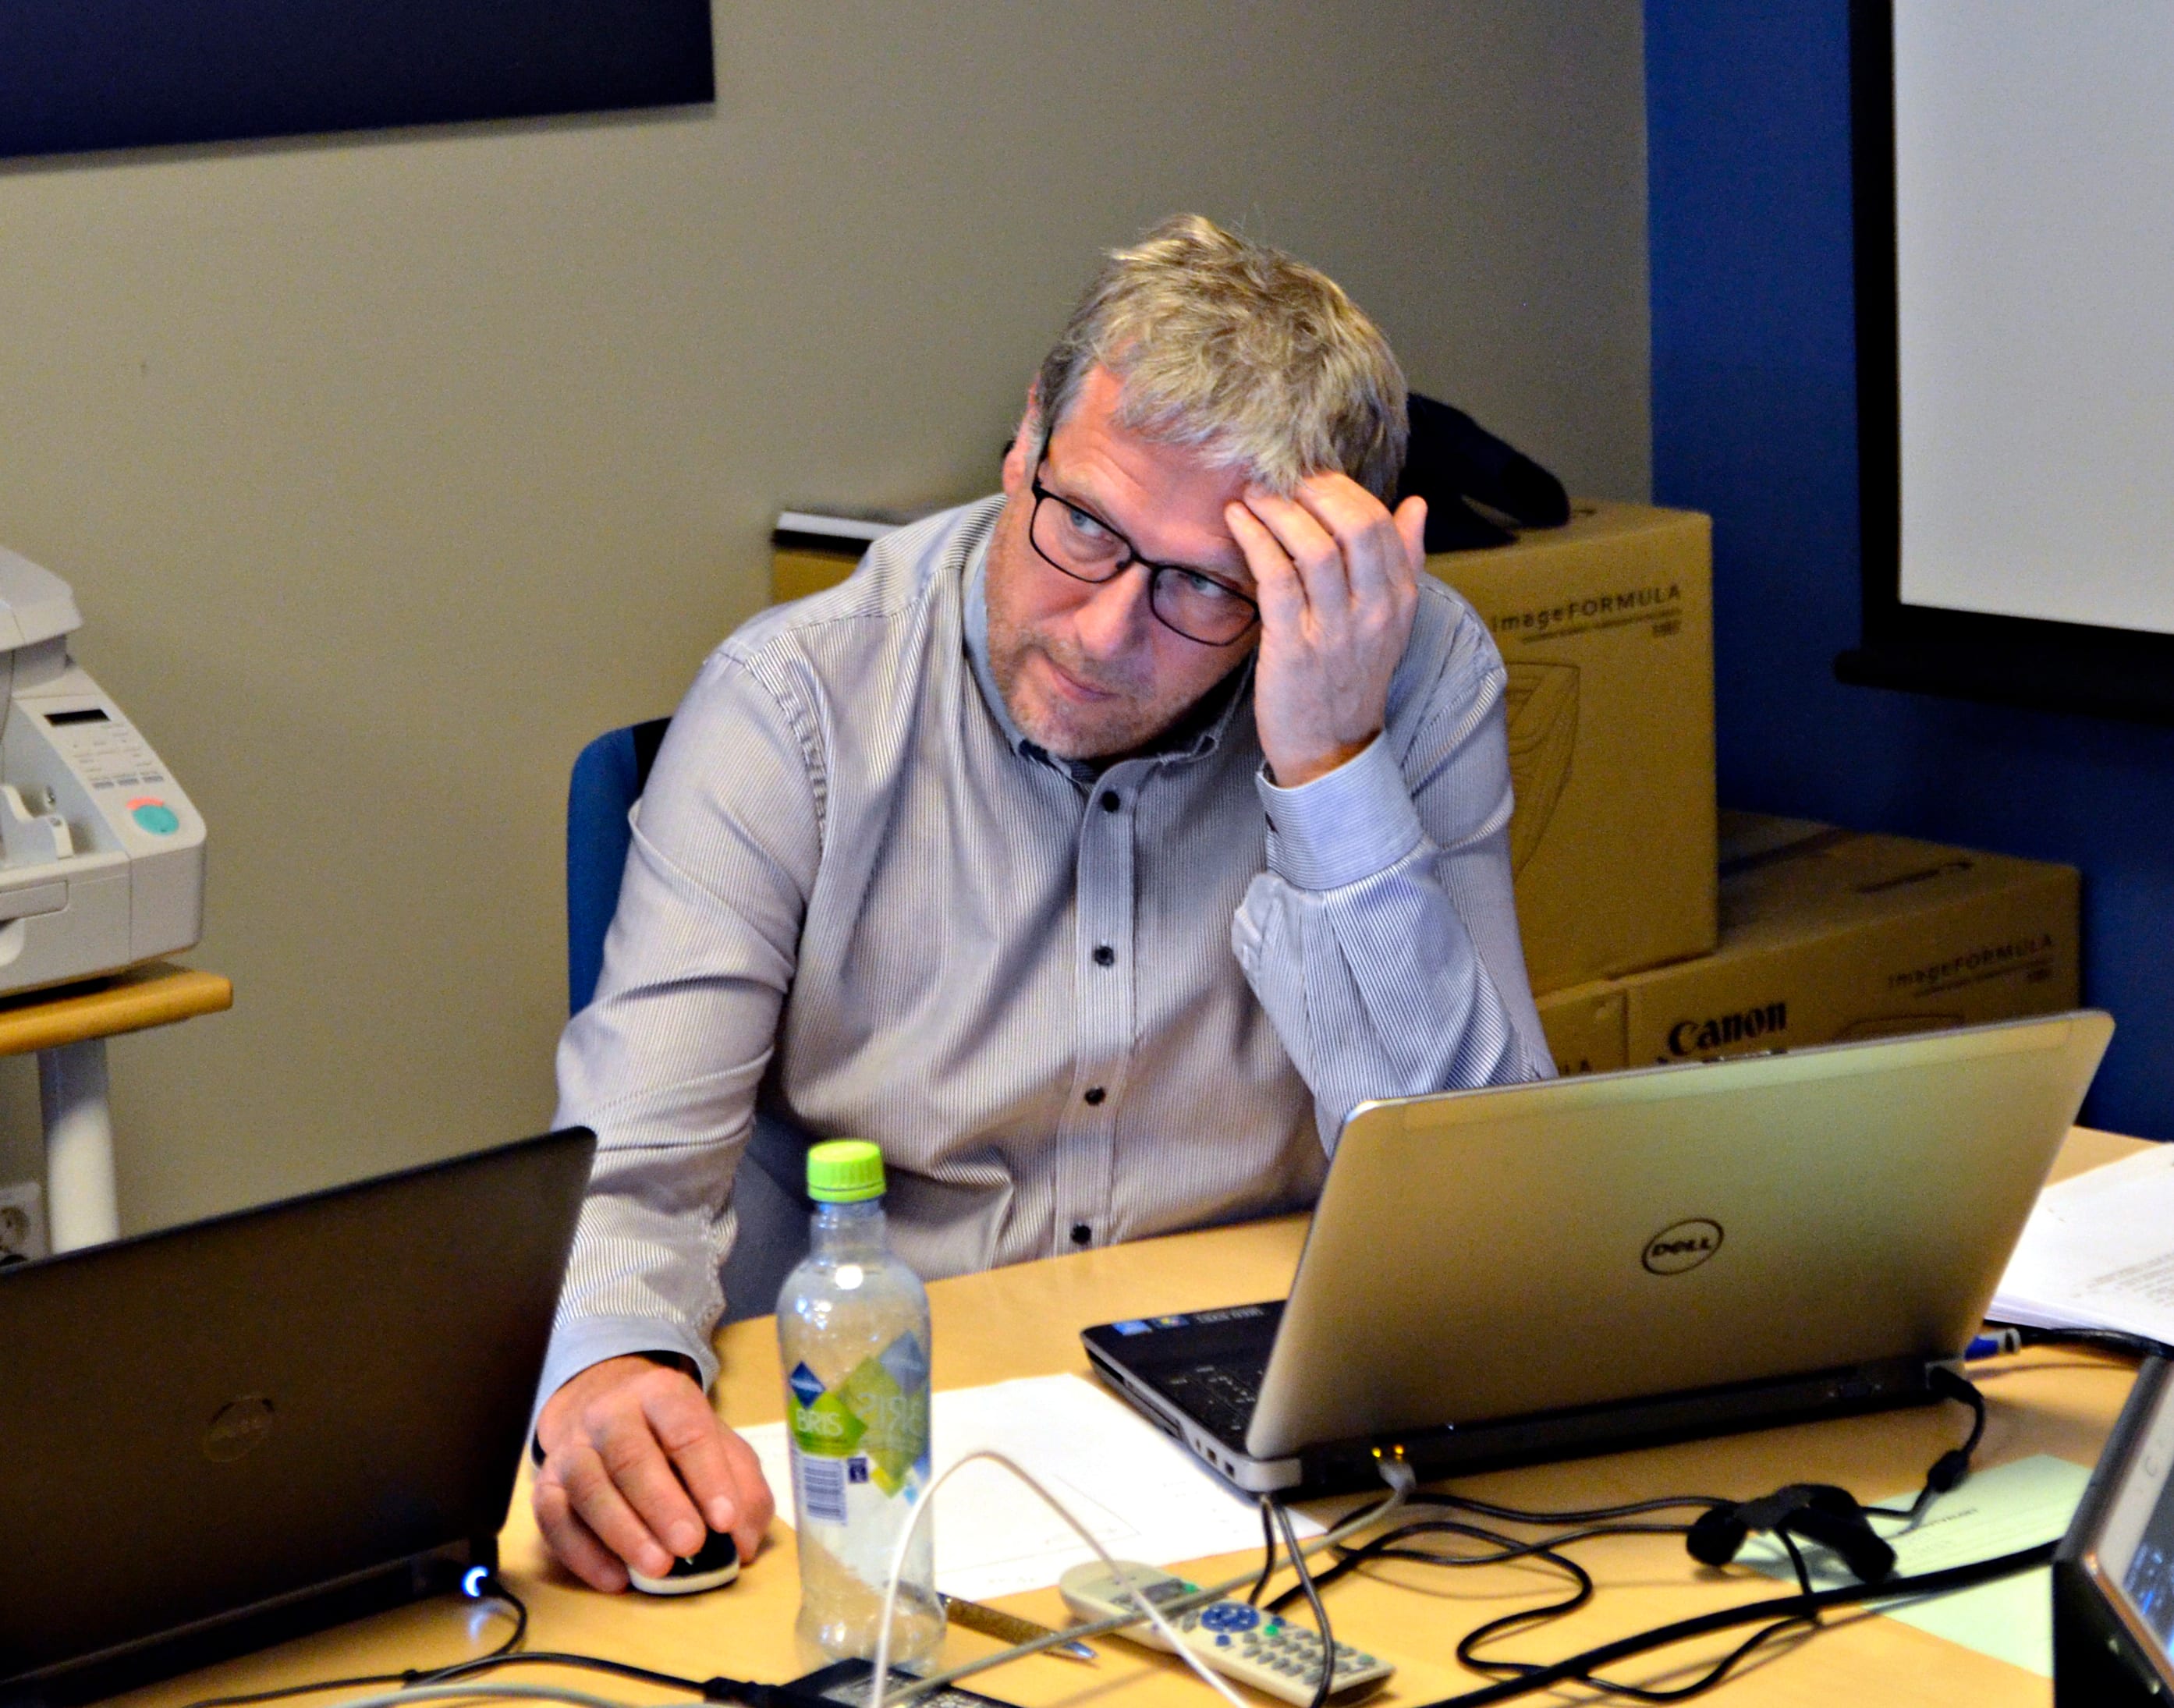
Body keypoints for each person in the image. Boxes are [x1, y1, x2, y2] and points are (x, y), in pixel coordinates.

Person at [531, 214, 1552, 1590]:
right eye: (1083, 526)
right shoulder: (797, 702)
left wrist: (1331, 767)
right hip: (874, 1443)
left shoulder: (1410, 680)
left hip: (1266, 1442)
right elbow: (630, 1180)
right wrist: (612, 1376)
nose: (1104, 630)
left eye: (1204, 586)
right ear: (1027, 441)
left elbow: (1483, 1221)